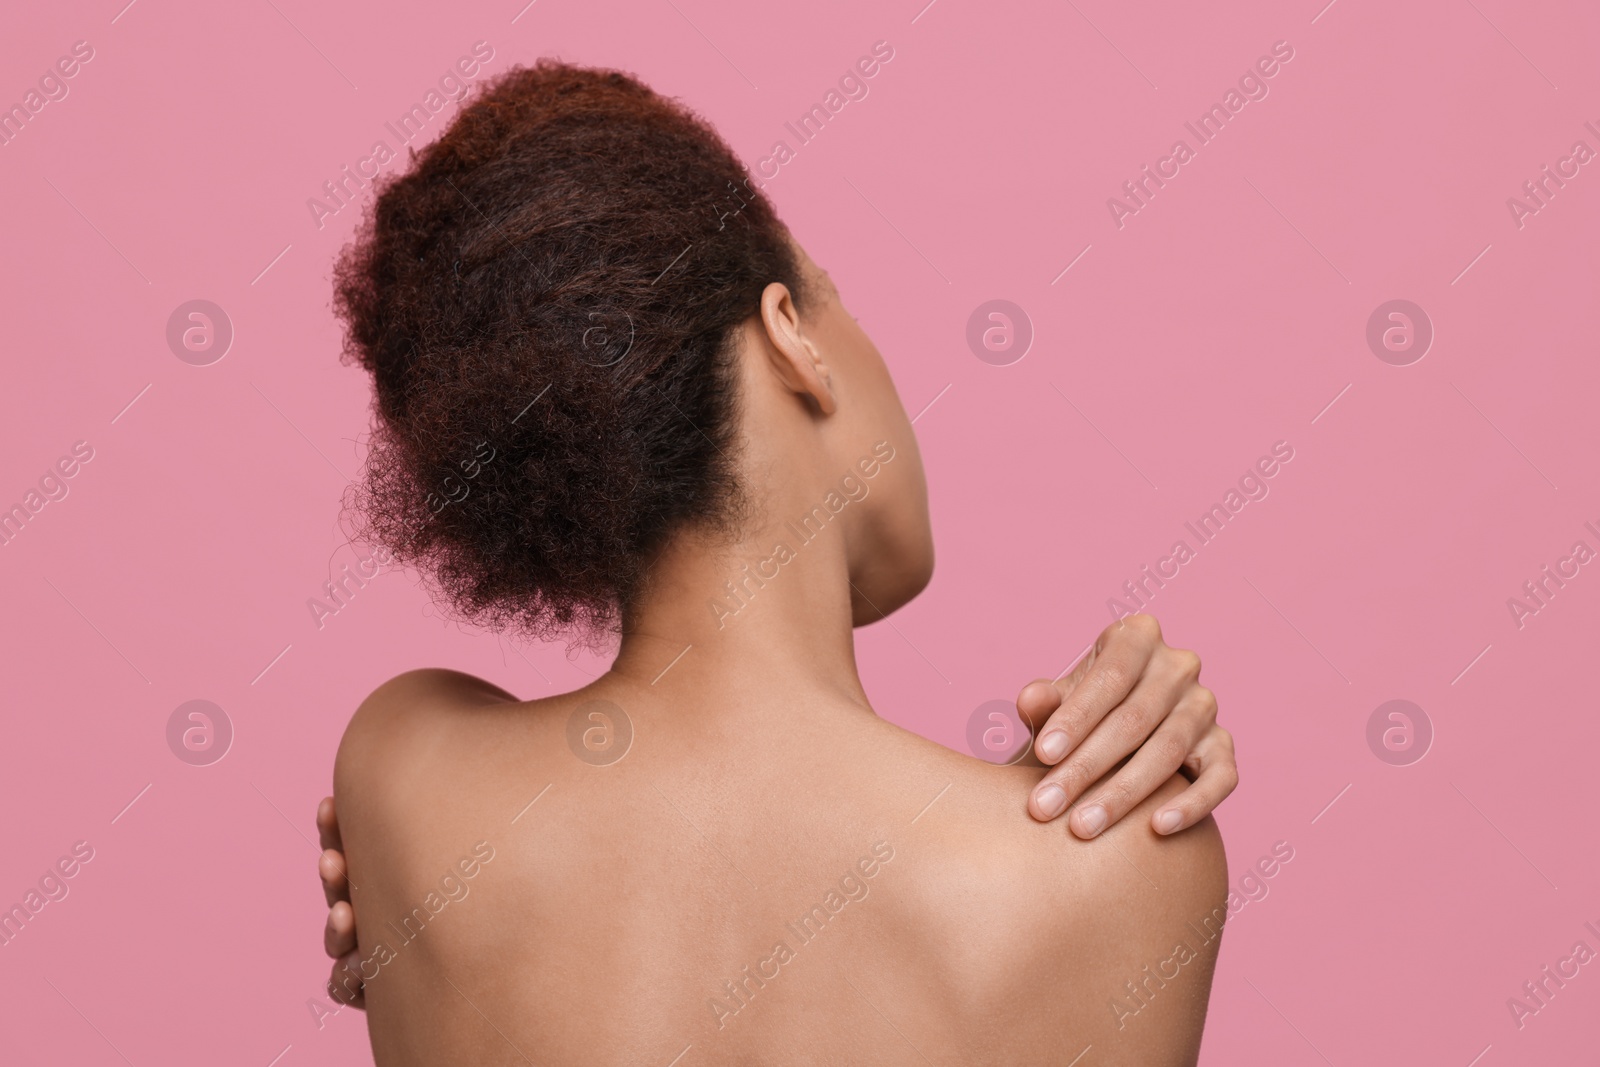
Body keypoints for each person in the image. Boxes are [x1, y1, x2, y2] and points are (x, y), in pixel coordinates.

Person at [321, 59, 1237, 1064]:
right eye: (833, 294)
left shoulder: (402, 764)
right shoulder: (1125, 870)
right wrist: (1056, 822)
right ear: (790, 335)